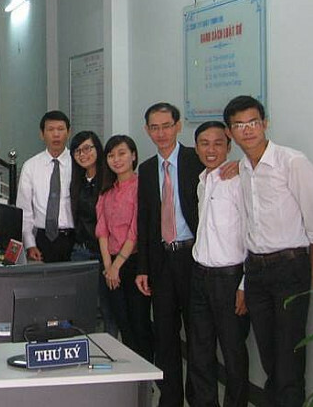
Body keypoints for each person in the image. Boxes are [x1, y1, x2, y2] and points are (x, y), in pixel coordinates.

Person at [224, 95, 313, 406]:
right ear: (230, 132)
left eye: (253, 122)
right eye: (239, 125)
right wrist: (246, 281)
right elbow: (248, 229)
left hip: (290, 268)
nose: (247, 130)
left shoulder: (292, 162)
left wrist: (308, 275)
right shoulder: (243, 169)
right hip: (256, 271)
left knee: (288, 360)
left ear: (265, 124)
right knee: (269, 357)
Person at [134, 102, 203, 407]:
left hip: (193, 257)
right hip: (161, 260)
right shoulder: (147, 169)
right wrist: (143, 267)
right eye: (154, 127)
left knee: (198, 334)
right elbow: (146, 222)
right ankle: (171, 398)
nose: (161, 133)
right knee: (165, 335)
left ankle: (198, 398)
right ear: (147, 130)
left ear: (178, 126)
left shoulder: (195, 160)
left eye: (166, 126)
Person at [188, 121, 249, 407]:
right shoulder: (203, 181)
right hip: (200, 275)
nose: (211, 150)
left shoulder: (239, 182)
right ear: (196, 147)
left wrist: (244, 283)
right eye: (204, 143)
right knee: (200, 352)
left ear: (229, 146)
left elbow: (252, 234)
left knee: (233, 352)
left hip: (230, 278)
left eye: (218, 143)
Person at [95, 135, 153, 363]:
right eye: (111, 155)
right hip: (110, 265)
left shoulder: (141, 187)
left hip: (134, 263)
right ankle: (131, 371)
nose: (116, 160)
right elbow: (102, 230)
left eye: (122, 153)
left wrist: (117, 266)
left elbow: (135, 232)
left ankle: (146, 372)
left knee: (140, 322)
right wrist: (108, 266)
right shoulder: (107, 191)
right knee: (122, 322)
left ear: (133, 156)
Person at [69, 131, 116, 337]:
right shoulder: (78, 181)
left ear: (98, 148)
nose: (83, 154)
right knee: (80, 307)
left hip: (105, 253)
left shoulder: (109, 180)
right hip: (81, 251)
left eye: (88, 148)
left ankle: (111, 347)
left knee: (108, 309)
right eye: (78, 151)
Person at [17, 110, 74, 263]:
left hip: (74, 240)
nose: (56, 134)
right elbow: (24, 209)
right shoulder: (30, 166)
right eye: (50, 129)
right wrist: (30, 244)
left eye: (61, 129)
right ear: (42, 134)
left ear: (69, 132)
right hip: (42, 240)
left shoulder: (77, 163)